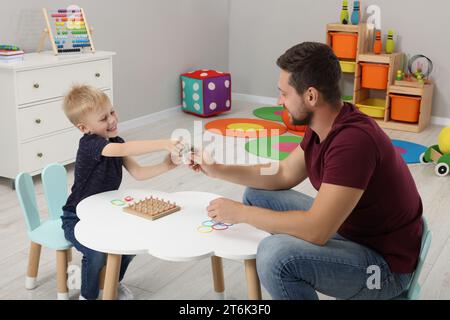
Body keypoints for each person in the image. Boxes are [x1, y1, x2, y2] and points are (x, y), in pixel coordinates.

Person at [190, 42, 423, 300]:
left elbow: (317, 230)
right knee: (258, 195)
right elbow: (282, 173)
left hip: (384, 267)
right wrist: (217, 169)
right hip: (353, 230)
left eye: (284, 94)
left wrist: (242, 214)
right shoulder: (323, 124)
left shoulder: (354, 142)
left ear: (311, 96)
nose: (280, 101)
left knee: (274, 256)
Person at [61, 85, 183, 300]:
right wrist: (164, 143)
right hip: (77, 218)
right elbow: (121, 151)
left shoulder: (116, 142)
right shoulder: (90, 145)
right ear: (84, 128)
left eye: (112, 112)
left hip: (104, 215)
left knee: (130, 245)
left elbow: (138, 172)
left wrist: (166, 166)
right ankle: (88, 296)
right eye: (103, 118)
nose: (111, 120)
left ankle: (110, 285)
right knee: (96, 253)